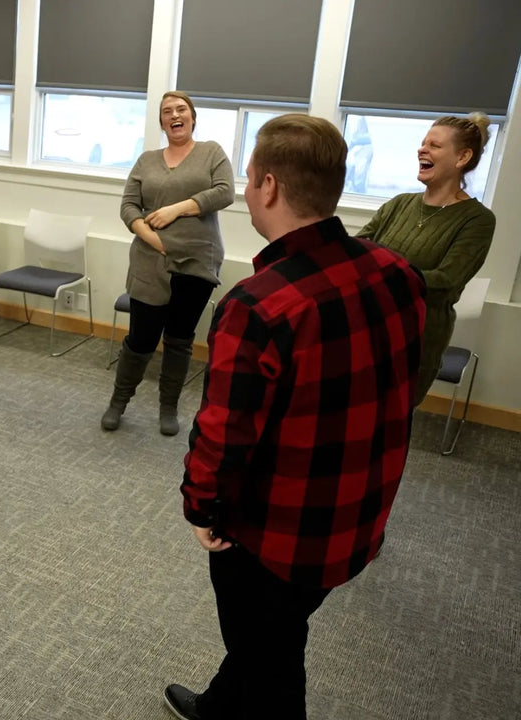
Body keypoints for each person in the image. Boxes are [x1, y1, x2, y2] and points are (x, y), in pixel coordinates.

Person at [167, 115, 426, 720]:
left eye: (252, 175)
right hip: (359, 516)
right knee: (273, 632)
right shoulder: (397, 273)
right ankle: (218, 706)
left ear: (270, 187)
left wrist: (200, 507)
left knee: (272, 660)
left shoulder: (260, 306)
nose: (250, 185)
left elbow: (223, 437)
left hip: (277, 537)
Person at [104, 91, 234, 435]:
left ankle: (168, 407)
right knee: (141, 338)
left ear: (192, 117)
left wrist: (178, 208)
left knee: (179, 338)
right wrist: (153, 239)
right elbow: (128, 207)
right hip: (150, 260)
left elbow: (225, 192)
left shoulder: (212, 153)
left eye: (181, 109)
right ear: (161, 122)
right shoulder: (146, 160)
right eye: (167, 112)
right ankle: (118, 402)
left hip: (197, 261)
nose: (174, 115)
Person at [359, 114, 496, 404]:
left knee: (390, 426)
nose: (422, 150)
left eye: (434, 145)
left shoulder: (478, 220)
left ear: (462, 157)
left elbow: (447, 281)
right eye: (423, 143)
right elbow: (359, 247)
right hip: (367, 328)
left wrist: (381, 271)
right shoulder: (399, 204)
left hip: (416, 341)